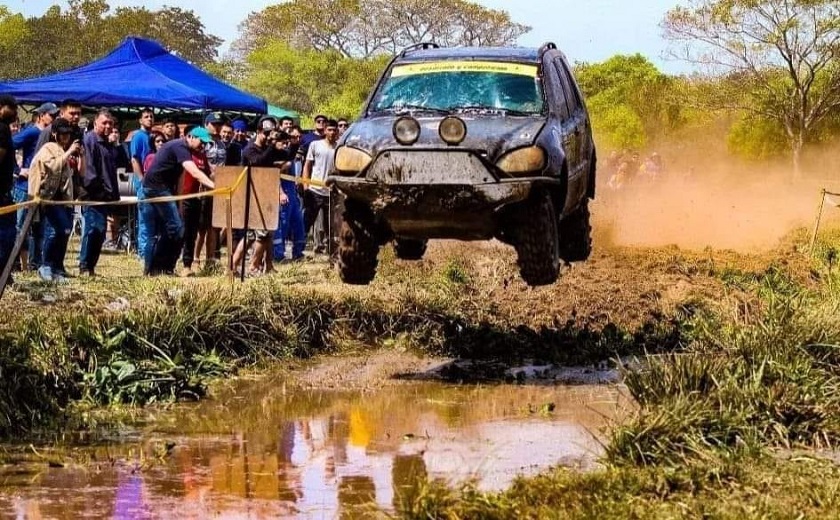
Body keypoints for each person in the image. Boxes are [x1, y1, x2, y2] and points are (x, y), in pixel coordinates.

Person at [141, 127, 215, 276]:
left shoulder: (184, 150)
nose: (203, 146)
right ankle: (160, 269)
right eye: (202, 142)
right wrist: (215, 187)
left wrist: (179, 199)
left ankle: (162, 269)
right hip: (156, 188)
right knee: (177, 230)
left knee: (169, 231)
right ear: (191, 137)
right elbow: (194, 172)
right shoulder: (180, 146)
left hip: (164, 189)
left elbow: (181, 177)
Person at [233, 117, 292, 275]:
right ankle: (250, 265)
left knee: (264, 233)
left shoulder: (267, 148)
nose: (268, 137)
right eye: (265, 133)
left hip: (265, 194)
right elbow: (259, 162)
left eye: (270, 133)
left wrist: (292, 141)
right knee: (258, 235)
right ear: (258, 132)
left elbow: (287, 155)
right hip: (252, 197)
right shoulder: (250, 149)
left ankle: (266, 266)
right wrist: (272, 146)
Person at [27, 118, 81, 282]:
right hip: (49, 199)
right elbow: (52, 166)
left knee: (64, 231)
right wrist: (69, 151)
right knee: (54, 232)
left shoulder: (64, 150)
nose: (66, 137)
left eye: (68, 134)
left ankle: (57, 267)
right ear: (55, 134)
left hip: (63, 200)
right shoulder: (48, 148)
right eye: (63, 134)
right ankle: (46, 265)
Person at [12, 102, 58, 271]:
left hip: (42, 188)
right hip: (25, 188)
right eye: (51, 115)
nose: (54, 119)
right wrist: (17, 170)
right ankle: (15, 263)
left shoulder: (52, 134)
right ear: (42, 116)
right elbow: (9, 144)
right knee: (20, 227)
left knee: (39, 228)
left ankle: (35, 263)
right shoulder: (32, 131)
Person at [78, 110, 120, 277]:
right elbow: (89, 172)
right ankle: (84, 266)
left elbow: (120, 163)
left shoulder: (108, 144)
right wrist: (99, 191)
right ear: (95, 123)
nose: (108, 126)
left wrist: (116, 144)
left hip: (105, 196)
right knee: (93, 229)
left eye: (110, 123)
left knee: (100, 232)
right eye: (104, 123)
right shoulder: (89, 141)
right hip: (93, 194)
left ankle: (91, 267)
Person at [302, 119, 338, 254]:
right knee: (307, 221)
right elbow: (307, 166)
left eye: (335, 130)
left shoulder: (339, 147)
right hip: (315, 190)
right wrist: (306, 186)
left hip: (331, 192)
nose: (332, 132)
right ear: (325, 130)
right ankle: (298, 250)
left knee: (331, 225)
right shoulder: (315, 145)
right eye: (329, 129)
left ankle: (332, 253)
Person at [274, 125, 306, 262]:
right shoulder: (279, 151)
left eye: (299, 137)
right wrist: (280, 193)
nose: (296, 139)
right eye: (294, 137)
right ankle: (278, 255)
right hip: (283, 192)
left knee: (299, 224)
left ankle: (298, 253)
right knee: (282, 225)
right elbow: (273, 175)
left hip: (293, 193)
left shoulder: (296, 153)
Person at [129, 108, 155, 257]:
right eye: (146, 117)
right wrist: (141, 179)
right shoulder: (138, 137)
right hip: (143, 183)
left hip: (154, 183)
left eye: (151, 116)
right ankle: (143, 253)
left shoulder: (152, 136)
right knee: (144, 219)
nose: (149, 119)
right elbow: (134, 159)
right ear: (140, 120)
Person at [0, 95, 18, 281]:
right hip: (1, 195)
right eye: (11, 107)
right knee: (6, 235)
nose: (15, 112)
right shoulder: (2, 129)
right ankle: (3, 275)